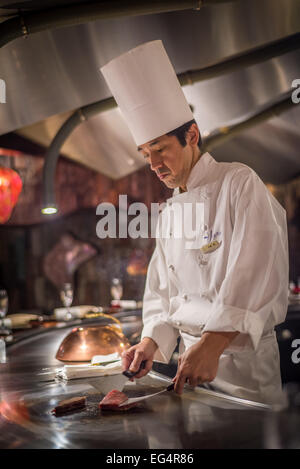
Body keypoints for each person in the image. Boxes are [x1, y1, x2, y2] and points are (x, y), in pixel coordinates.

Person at [101, 40, 289, 408]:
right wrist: (151, 342)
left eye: (160, 148)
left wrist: (213, 343)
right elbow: (163, 292)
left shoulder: (239, 183)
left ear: (191, 135)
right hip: (191, 370)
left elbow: (257, 270)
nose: (153, 163)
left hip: (243, 372)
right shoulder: (171, 211)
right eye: (145, 154)